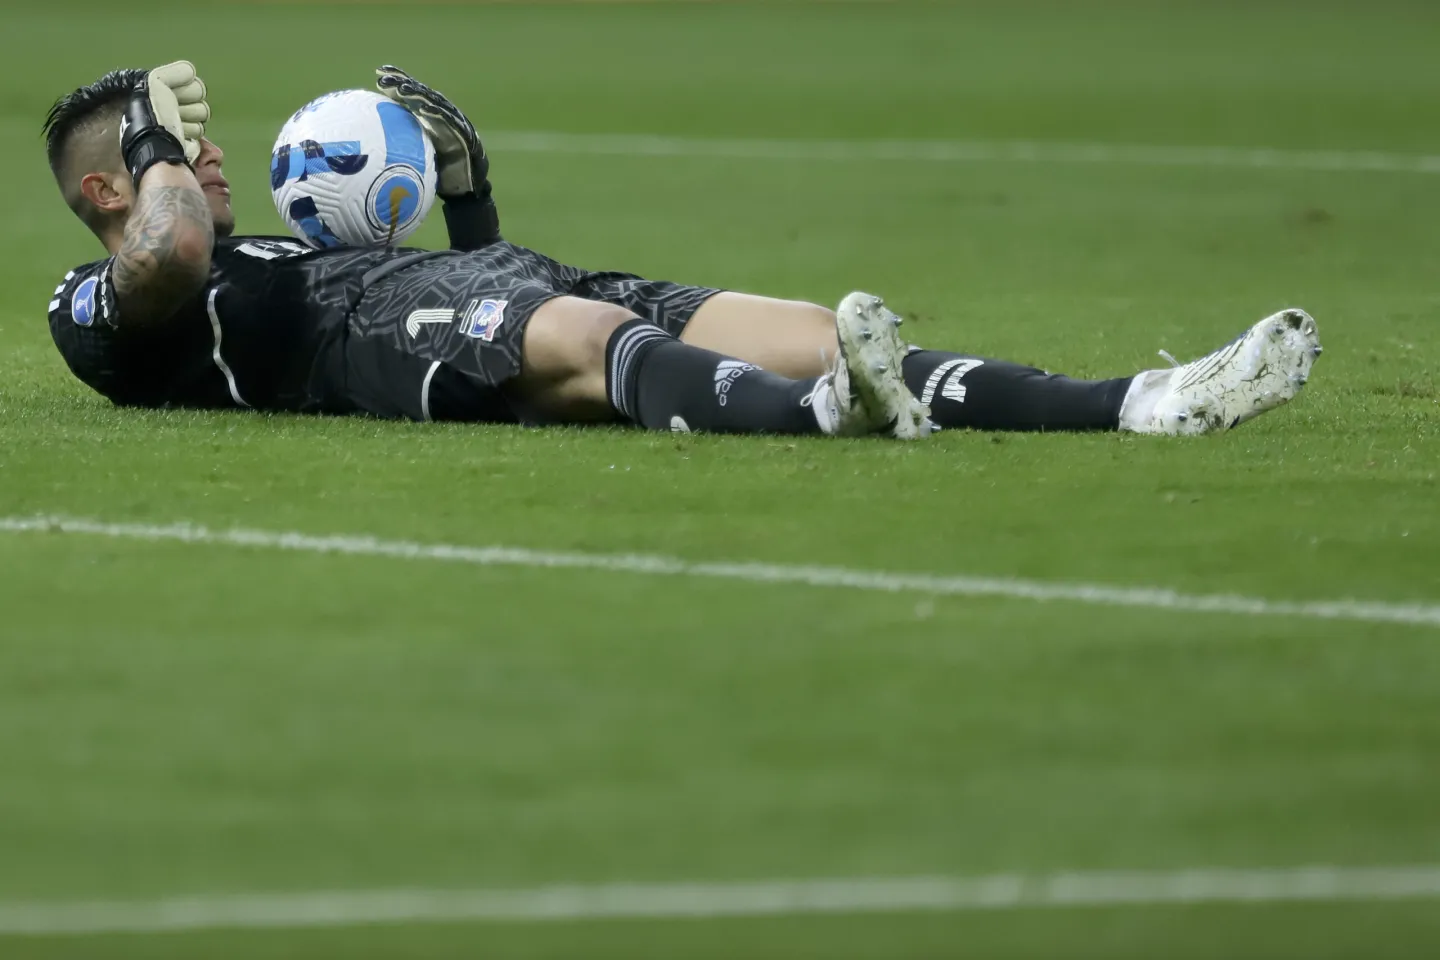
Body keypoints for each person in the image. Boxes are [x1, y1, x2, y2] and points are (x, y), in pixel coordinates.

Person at [42, 63, 1322, 442]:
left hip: (477, 289)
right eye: (164, 155)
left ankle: (1147, 403)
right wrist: (159, 148)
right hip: (374, 343)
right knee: (593, 349)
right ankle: (824, 420)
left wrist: (471, 199)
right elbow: (169, 259)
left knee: (818, 324)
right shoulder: (101, 301)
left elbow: (464, 275)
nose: (199, 163)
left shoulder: (244, 238)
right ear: (110, 189)